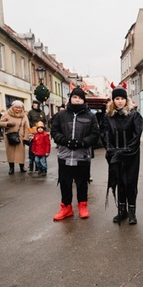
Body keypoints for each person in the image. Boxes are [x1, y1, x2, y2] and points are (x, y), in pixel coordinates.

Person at [50, 86, 100, 221]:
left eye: (80, 98)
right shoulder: (61, 115)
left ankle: (82, 206)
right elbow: (54, 131)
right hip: (65, 155)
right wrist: (65, 141)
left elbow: (95, 134)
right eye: (74, 97)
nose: (77, 100)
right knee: (65, 183)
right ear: (71, 99)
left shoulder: (90, 116)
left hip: (82, 156)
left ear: (83, 100)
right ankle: (66, 208)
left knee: (82, 182)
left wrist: (82, 143)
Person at [100, 83, 143, 225]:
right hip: (115, 156)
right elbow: (105, 135)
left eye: (122, 98)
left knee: (130, 183)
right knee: (119, 182)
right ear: (113, 100)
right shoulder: (108, 117)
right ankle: (122, 211)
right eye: (117, 98)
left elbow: (136, 136)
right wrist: (112, 150)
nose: (119, 101)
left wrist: (126, 151)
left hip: (131, 156)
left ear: (126, 100)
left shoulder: (134, 115)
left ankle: (132, 212)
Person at [0, 100, 30, 174]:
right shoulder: (7, 114)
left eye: (20, 108)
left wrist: (26, 137)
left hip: (20, 136)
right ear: (12, 107)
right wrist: (7, 124)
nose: (18, 109)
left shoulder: (24, 116)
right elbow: (0, 123)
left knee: (21, 153)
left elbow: (27, 127)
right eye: (16, 107)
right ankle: (11, 168)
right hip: (9, 136)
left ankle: (22, 167)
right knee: (10, 153)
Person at [27, 100, 47, 172]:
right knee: (33, 147)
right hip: (33, 131)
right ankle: (31, 164)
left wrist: (44, 129)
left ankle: (39, 166)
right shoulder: (30, 112)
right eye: (34, 104)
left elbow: (45, 121)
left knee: (41, 146)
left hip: (41, 131)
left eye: (36, 104)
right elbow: (28, 121)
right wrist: (31, 128)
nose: (35, 105)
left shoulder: (42, 112)